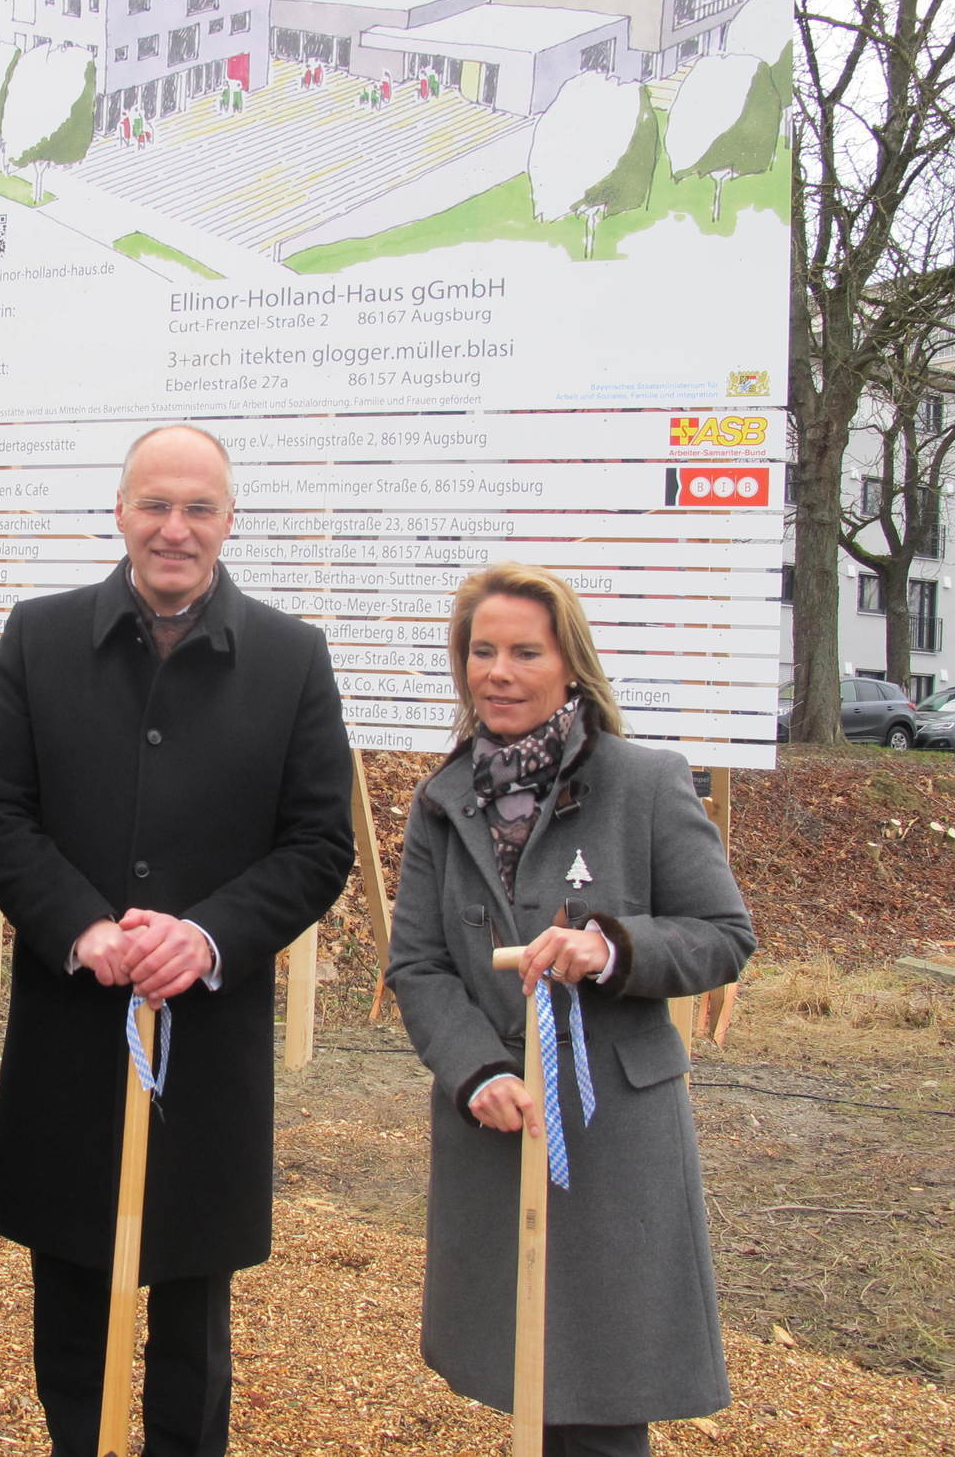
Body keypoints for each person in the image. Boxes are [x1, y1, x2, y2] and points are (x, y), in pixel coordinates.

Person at [0, 424, 354, 1457]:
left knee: (190, 1306)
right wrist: (82, 927)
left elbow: (317, 844)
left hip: (206, 1036)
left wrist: (208, 935)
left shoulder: (289, 657)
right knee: (71, 1298)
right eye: (154, 505)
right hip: (71, 1025)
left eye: (197, 508)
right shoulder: (38, 639)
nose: (173, 529)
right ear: (121, 510)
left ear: (229, 521)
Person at [385, 563, 755, 1457]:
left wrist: (614, 946)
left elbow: (722, 935)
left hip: (613, 1130)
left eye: (524, 652)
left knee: (601, 1386)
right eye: (482, 651)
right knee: (524, 1378)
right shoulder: (442, 802)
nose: (498, 672)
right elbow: (419, 964)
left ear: (570, 665)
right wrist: (476, 1070)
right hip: (496, 1118)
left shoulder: (646, 781)